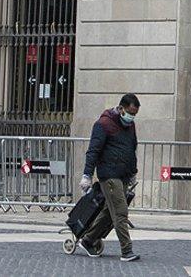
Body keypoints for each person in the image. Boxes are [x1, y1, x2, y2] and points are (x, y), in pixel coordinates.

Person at [78, 93, 141, 261]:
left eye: (134, 114)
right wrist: (87, 175)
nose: (131, 117)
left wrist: (133, 171)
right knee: (120, 211)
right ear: (121, 109)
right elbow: (93, 151)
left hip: (124, 175)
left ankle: (88, 240)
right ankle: (126, 250)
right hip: (109, 175)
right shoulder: (103, 124)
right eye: (130, 113)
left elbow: (132, 148)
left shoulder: (130, 126)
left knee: (108, 211)